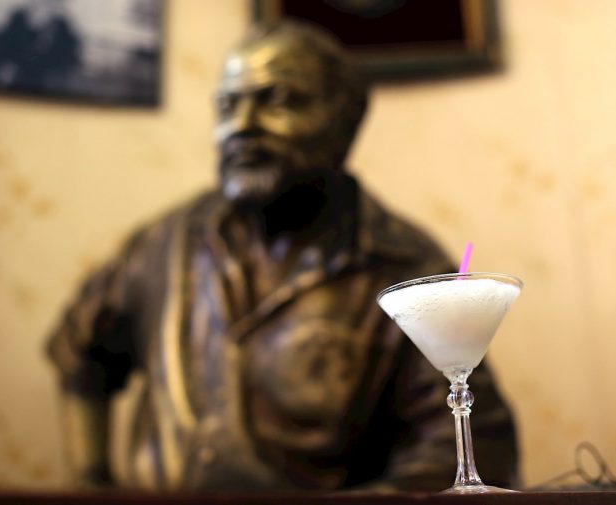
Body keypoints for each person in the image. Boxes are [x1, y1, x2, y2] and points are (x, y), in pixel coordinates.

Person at [47, 21, 518, 492]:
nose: (242, 125)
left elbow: (475, 443)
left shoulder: (404, 265)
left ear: (345, 120)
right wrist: (92, 486)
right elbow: (79, 350)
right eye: (227, 106)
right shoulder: (162, 242)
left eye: (277, 100)